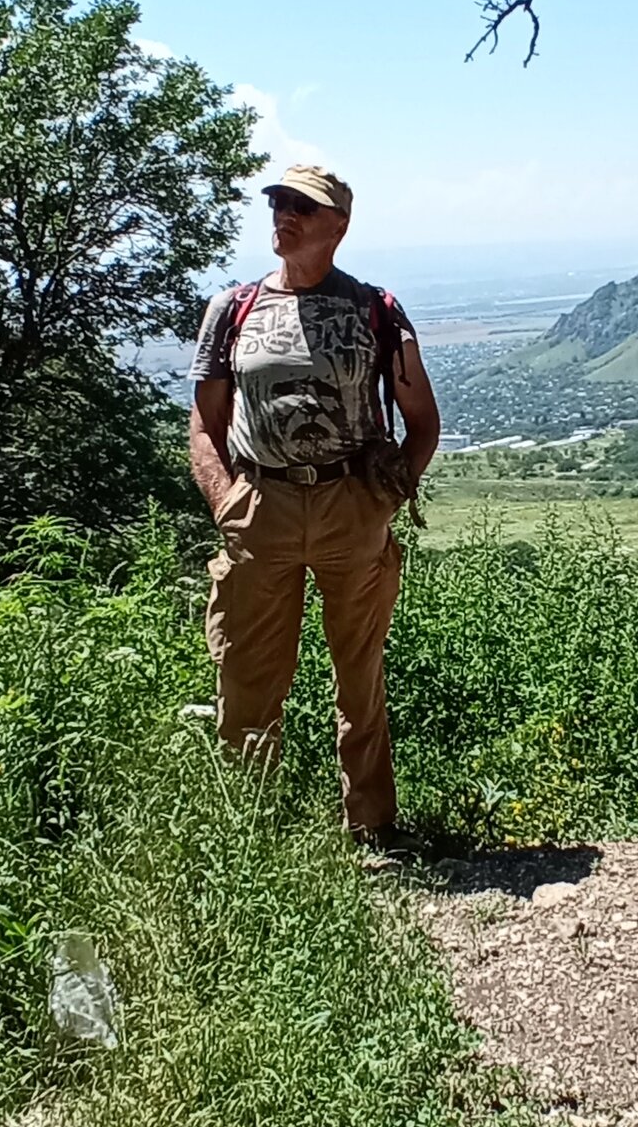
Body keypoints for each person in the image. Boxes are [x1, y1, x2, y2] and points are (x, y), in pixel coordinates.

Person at [187, 165, 440, 851]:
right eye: (278, 201)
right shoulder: (231, 308)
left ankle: (373, 831)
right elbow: (206, 422)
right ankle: (249, 837)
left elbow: (422, 420)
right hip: (260, 504)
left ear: (339, 225)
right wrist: (228, 502)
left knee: (360, 677)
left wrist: (382, 503)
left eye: (303, 205)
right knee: (246, 677)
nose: (284, 213)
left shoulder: (374, 310)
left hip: (348, 506)